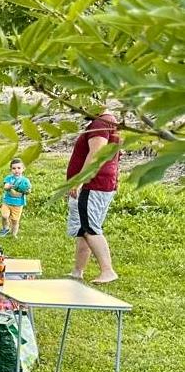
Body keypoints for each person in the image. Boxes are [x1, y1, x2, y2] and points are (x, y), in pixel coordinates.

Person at [67, 111, 121, 284]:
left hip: (94, 184)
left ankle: (108, 270)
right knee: (83, 230)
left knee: (90, 228)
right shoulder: (108, 122)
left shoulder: (101, 123)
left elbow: (96, 153)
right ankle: (77, 271)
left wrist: (79, 180)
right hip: (101, 183)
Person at [0, 158, 31, 238]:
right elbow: (5, 187)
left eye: (19, 168)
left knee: (15, 221)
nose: (16, 170)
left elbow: (28, 190)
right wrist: (9, 186)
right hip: (7, 202)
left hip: (18, 204)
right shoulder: (9, 178)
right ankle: (5, 228)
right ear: (11, 169)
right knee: (4, 216)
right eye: (14, 168)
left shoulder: (25, 181)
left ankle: (14, 235)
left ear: (23, 169)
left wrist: (27, 191)